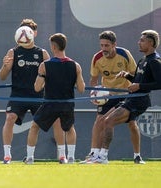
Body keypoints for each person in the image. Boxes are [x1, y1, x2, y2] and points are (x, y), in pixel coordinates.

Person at [0, 19, 69, 164]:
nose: (25, 33)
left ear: (34, 33)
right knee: (10, 118)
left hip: (38, 96)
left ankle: (62, 156)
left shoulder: (42, 53)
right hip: (18, 95)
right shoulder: (13, 52)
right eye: (22, 29)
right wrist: (5, 66)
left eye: (29, 29)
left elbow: (52, 76)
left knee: (56, 120)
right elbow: (2, 76)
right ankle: (7, 156)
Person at [93, 29, 161, 164]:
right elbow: (138, 79)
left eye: (142, 40)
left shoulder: (154, 61)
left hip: (139, 100)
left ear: (151, 43)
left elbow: (159, 83)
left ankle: (103, 156)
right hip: (132, 98)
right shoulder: (143, 60)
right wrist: (127, 76)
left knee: (108, 121)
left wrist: (139, 87)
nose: (139, 42)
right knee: (106, 120)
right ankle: (104, 155)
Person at [80, 30, 145, 164]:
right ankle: (94, 154)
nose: (103, 49)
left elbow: (135, 74)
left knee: (132, 124)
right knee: (100, 121)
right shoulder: (97, 58)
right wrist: (95, 94)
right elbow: (94, 79)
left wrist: (126, 76)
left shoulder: (124, 54)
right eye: (102, 45)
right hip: (107, 95)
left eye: (107, 46)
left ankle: (137, 156)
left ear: (114, 45)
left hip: (126, 95)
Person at [24, 33, 85, 164]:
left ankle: (29, 158)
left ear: (53, 47)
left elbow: (37, 88)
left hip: (50, 104)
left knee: (34, 127)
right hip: (67, 104)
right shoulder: (76, 66)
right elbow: (81, 88)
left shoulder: (45, 65)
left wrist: (43, 78)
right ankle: (71, 157)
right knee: (69, 128)